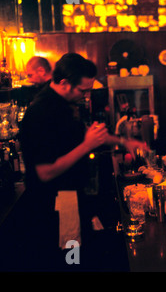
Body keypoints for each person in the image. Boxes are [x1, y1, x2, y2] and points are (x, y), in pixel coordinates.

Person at [17, 53, 148, 270]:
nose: (87, 95)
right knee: (69, 260)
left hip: (74, 198)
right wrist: (86, 146)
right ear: (64, 82)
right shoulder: (40, 112)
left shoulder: (62, 105)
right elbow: (45, 172)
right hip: (56, 205)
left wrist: (125, 142)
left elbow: (88, 134)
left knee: (80, 254)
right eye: (83, 90)